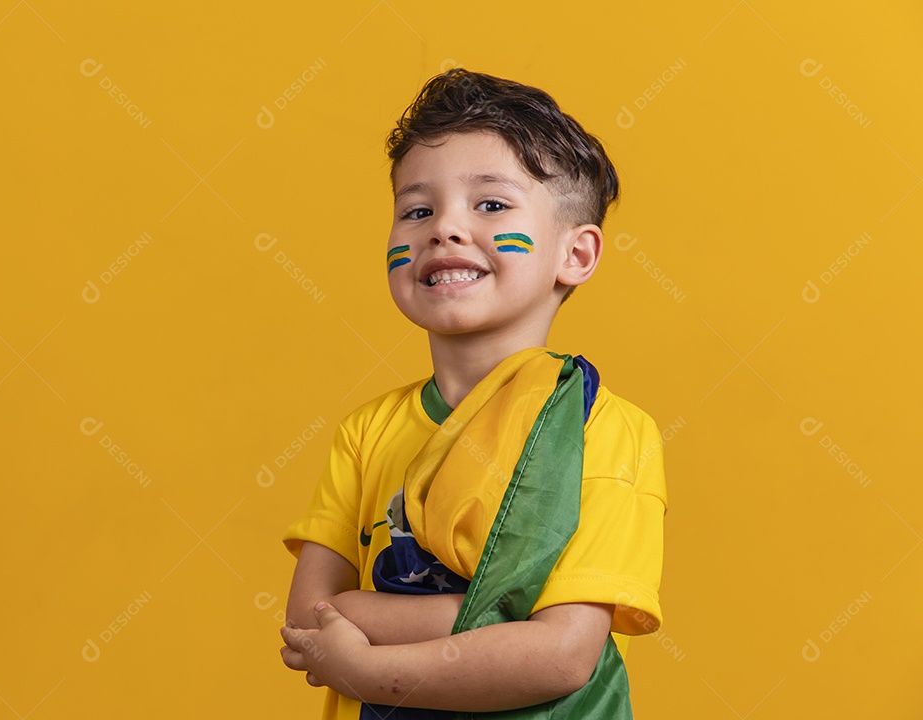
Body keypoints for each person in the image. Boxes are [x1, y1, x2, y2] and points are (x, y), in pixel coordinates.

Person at [279, 68, 668, 719]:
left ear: (575, 254)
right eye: (417, 209)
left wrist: (365, 659)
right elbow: (309, 621)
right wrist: (490, 619)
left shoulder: (604, 428)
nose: (443, 229)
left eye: (490, 205)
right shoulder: (367, 432)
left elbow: (560, 656)